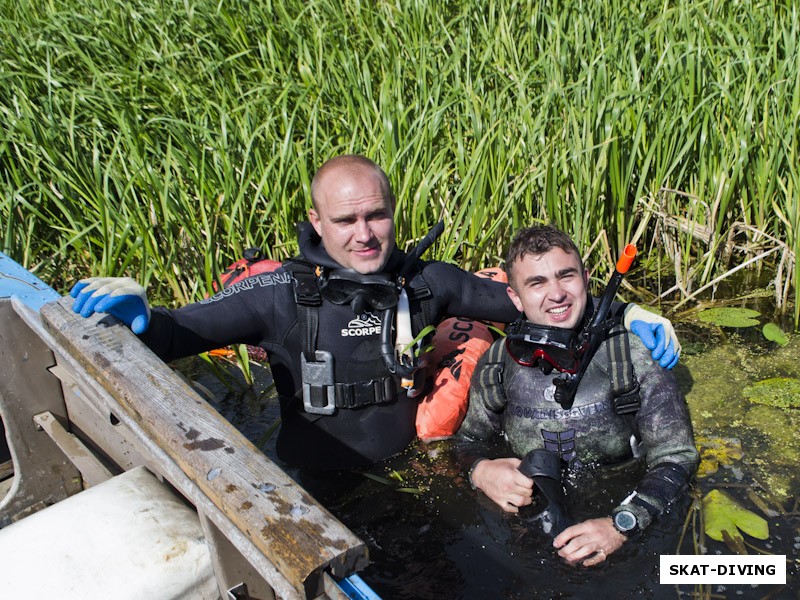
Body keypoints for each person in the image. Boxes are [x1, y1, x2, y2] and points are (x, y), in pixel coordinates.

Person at [69, 155, 680, 471]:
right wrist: (142, 313)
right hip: (317, 492)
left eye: (376, 215)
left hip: (410, 476)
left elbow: (530, 303)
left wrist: (627, 315)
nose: (364, 234)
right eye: (345, 220)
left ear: (392, 210)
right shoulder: (281, 293)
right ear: (316, 222)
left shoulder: (427, 283)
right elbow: (185, 330)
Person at [455, 225, 698, 567]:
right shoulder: (497, 363)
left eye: (565, 276)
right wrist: (481, 471)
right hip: (530, 527)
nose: (556, 294)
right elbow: (467, 442)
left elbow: (677, 455)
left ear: (585, 278)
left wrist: (624, 522)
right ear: (515, 297)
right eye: (536, 283)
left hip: (624, 516)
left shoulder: (631, 354)